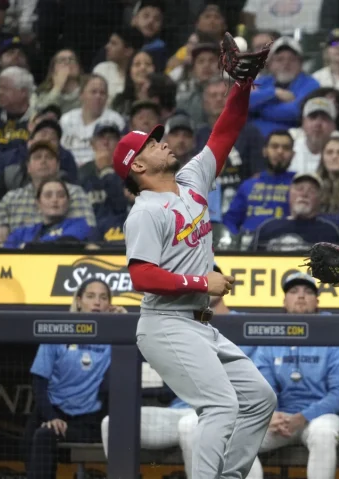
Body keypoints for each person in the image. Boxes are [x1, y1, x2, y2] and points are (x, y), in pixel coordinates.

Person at [113, 57, 277, 478]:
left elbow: (226, 130)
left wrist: (241, 86)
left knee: (259, 398)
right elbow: (141, 276)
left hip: (200, 324)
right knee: (221, 405)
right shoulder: (145, 212)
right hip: (165, 324)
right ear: (137, 166)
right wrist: (201, 280)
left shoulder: (191, 180)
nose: (161, 141)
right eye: (151, 143)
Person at [239, 272, 339, 479]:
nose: (301, 296)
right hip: (282, 419)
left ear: (317, 301)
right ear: (284, 301)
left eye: (308, 292)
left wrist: (304, 417)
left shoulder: (335, 333)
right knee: (238, 437)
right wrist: (268, 416)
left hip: (322, 416)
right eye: (294, 291)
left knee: (322, 432)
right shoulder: (271, 336)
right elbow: (263, 389)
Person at [23, 279, 122, 479]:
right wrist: (51, 417)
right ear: (78, 301)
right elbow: (39, 384)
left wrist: (125, 324)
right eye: (91, 296)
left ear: (109, 305)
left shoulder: (115, 340)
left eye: (103, 298)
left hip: (89, 422)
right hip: (54, 413)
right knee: (40, 434)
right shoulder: (57, 333)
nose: (97, 302)